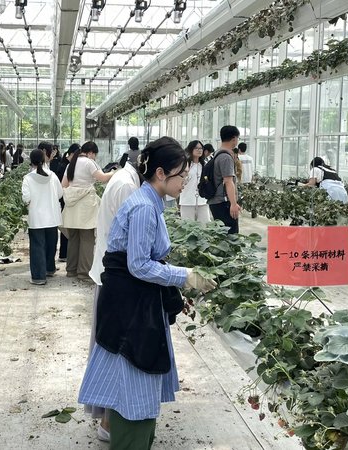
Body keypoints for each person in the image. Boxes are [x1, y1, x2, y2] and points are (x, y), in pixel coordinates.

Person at [78, 136, 216, 449]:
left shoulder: (149, 201)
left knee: (130, 375)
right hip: (132, 306)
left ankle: (128, 432)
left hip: (133, 300)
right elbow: (139, 265)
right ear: (160, 174)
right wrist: (184, 276)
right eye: (181, 175)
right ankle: (130, 437)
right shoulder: (143, 207)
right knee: (133, 374)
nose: (185, 181)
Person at [86, 143, 142, 442]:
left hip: (111, 275)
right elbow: (131, 246)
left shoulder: (124, 180)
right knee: (114, 350)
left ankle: (108, 419)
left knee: (110, 348)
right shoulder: (127, 187)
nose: (182, 181)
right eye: (179, 175)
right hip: (116, 280)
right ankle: (109, 422)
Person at [62, 141, 114, 279]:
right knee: (87, 238)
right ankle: (84, 272)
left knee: (73, 239)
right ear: (91, 152)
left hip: (72, 206)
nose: (94, 157)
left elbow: (64, 184)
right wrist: (113, 172)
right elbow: (102, 178)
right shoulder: (89, 163)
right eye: (95, 155)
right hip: (86, 206)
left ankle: (71, 270)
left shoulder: (71, 164)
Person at [22, 149, 63, 285]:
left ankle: (39, 277)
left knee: (37, 246)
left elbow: (26, 198)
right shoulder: (52, 175)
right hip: (52, 216)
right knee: (51, 244)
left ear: (31, 161)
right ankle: (49, 269)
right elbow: (60, 194)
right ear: (44, 159)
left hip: (36, 217)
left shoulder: (28, 178)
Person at [208, 125, 241, 234]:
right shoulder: (226, 157)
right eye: (237, 138)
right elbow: (228, 181)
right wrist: (233, 204)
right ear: (234, 139)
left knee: (221, 235)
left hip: (216, 201)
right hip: (223, 202)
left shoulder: (217, 153)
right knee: (231, 236)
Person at [55, 144, 79, 262]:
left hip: (65, 198)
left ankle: (64, 253)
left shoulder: (65, 164)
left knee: (67, 225)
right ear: (73, 154)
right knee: (66, 226)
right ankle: (64, 254)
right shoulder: (65, 165)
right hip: (66, 198)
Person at [179, 140, 210, 223]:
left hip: (202, 201)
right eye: (196, 148)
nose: (199, 150)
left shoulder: (205, 164)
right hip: (187, 200)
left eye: (201, 148)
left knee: (205, 224)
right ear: (191, 149)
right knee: (187, 225)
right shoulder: (185, 164)